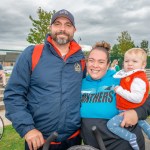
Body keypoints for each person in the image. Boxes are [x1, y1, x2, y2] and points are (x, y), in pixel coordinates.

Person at [4, 9, 86, 150]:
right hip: (40, 142)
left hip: (73, 140)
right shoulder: (32, 53)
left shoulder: (81, 60)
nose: (62, 29)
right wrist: (27, 128)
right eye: (57, 24)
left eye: (68, 25)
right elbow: (13, 95)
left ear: (74, 29)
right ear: (50, 27)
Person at [80, 41, 150, 150]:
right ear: (87, 62)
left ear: (108, 65)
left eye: (101, 62)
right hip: (93, 146)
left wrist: (137, 113)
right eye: (91, 60)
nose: (95, 65)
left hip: (124, 145)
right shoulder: (80, 83)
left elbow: (147, 99)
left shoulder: (119, 78)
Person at [107, 48, 150, 150]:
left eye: (134, 61)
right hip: (127, 109)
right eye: (126, 61)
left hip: (128, 110)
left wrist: (119, 90)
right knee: (142, 123)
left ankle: (131, 137)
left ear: (143, 65)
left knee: (111, 125)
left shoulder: (138, 78)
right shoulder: (131, 75)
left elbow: (137, 98)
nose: (130, 64)